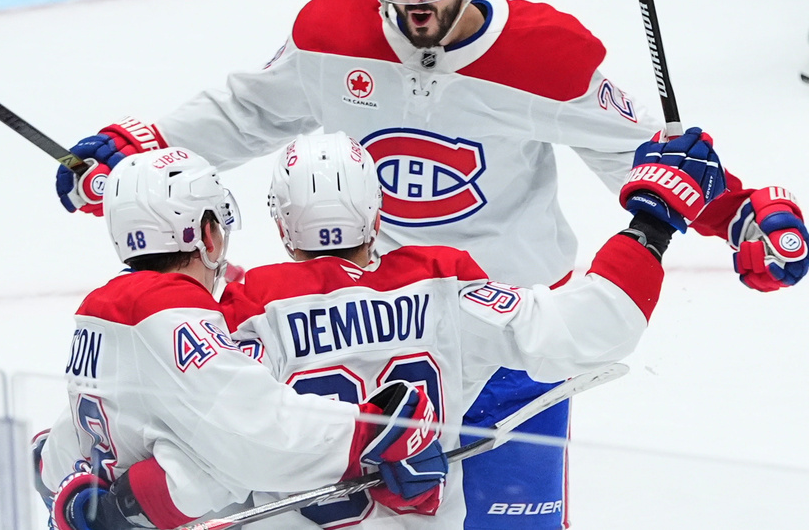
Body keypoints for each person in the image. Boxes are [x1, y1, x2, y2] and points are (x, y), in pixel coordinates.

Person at [53, 0, 809, 530]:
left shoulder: (542, 55)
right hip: (380, 325)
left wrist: (742, 217)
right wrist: (142, 154)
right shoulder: (333, 35)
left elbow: (646, 155)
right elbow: (246, 111)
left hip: (514, 337)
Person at [217, 129, 723, 529]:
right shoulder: (441, 285)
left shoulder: (251, 308)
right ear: (376, 214)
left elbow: (217, 445)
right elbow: (593, 326)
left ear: (282, 226)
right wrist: (652, 225)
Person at [36, 147, 448, 530]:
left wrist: (80, 498)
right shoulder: (168, 312)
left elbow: (62, 454)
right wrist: (374, 432)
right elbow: (251, 436)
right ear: (207, 235)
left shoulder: (102, 314)